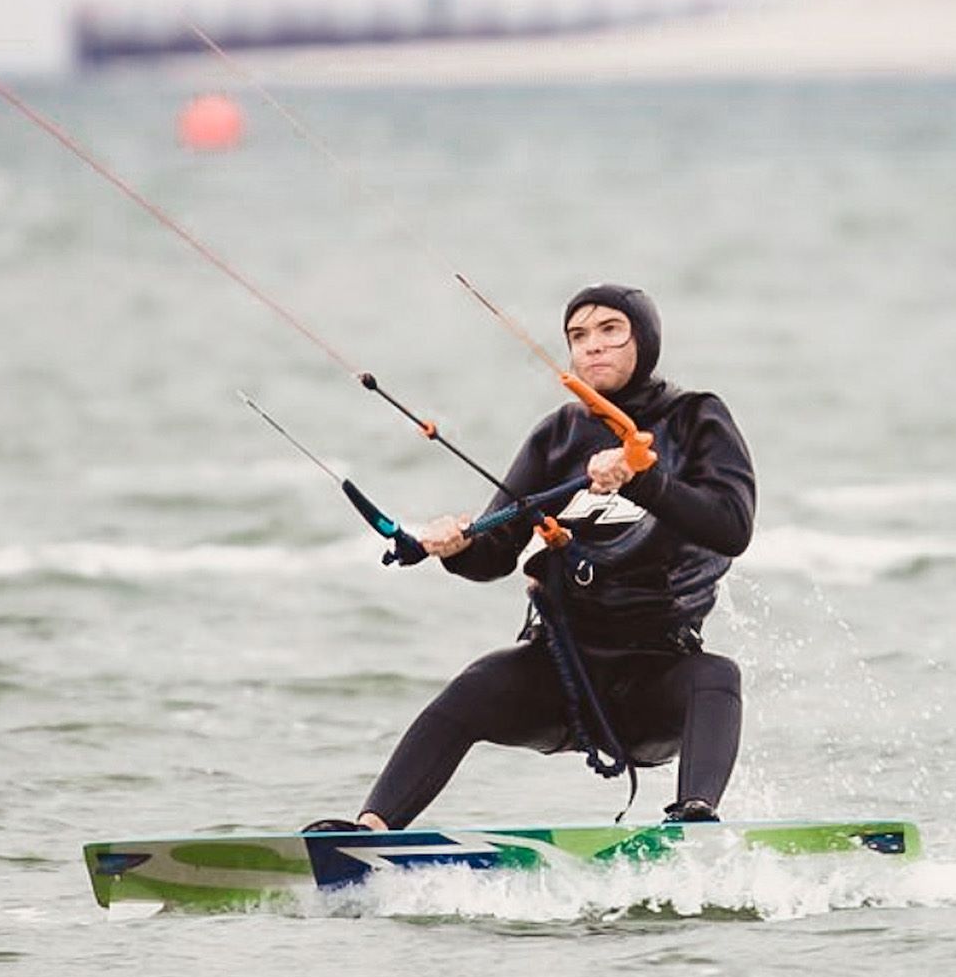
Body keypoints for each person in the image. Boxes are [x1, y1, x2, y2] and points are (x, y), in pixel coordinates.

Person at [321, 283, 755, 832]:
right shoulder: (558, 435)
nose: (592, 346)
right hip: (564, 676)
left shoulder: (697, 418)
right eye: (578, 336)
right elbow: (493, 555)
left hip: (656, 678)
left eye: (609, 331)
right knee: (474, 686)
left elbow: (731, 527)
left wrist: (643, 479)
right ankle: (371, 832)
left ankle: (695, 820)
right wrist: (457, 546)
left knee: (718, 678)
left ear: (644, 340)